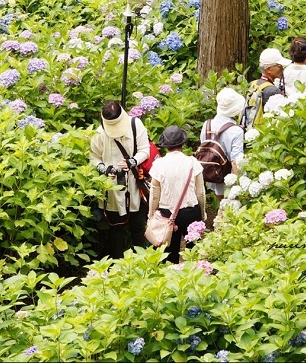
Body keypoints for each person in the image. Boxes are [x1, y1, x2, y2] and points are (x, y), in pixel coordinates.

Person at [90, 100, 150, 259]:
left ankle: (141, 262)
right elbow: (94, 158)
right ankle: (118, 264)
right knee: (115, 229)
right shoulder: (99, 133)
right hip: (111, 188)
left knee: (138, 226)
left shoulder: (135, 125)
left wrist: (133, 162)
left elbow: (145, 149)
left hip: (134, 185)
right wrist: (105, 169)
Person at [148, 126, 206, 264]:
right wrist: (202, 213)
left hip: (167, 214)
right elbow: (200, 192)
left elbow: (154, 194)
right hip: (191, 212)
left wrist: (151, 215)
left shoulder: (158, 164)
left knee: (168, 255)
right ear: (183, 143)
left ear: (165, 146)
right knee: (193, 254)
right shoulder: (193, 162)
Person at [199, 88, 245, 201]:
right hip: (229, 176)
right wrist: (241, 184)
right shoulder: (236, 130)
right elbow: (235, 161)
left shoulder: (207, 124)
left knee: (221, 204)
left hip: (212, 173)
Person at [242, 48, 291, 128]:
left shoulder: (255, 84)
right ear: (268, 69)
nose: (282, 68)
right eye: (279, 66)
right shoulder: (272, 90)